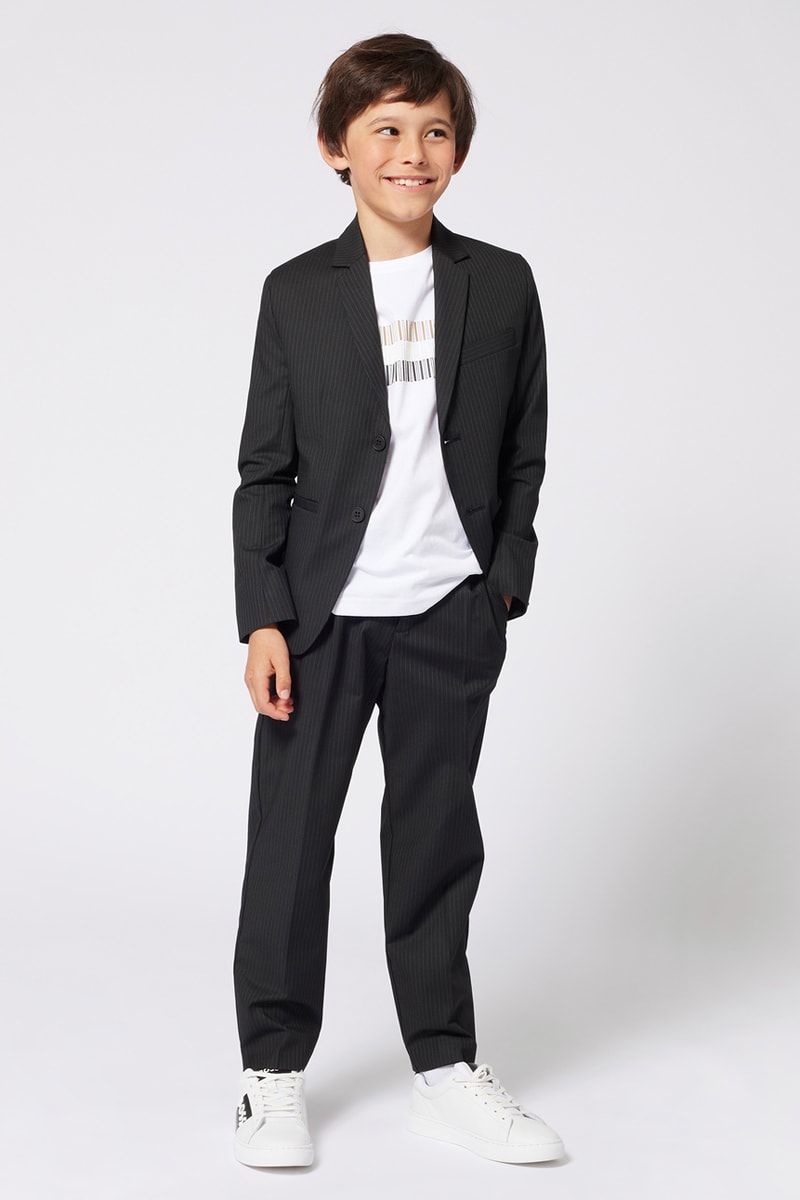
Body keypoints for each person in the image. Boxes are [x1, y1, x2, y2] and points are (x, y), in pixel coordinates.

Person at [231, 33, 564, 1169]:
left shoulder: (501, 283)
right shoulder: (296, 293)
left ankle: (443, 1066)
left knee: (434, 842)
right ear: (338, 148)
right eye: (385, 130)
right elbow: (263, 471)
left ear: (457, 150)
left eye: (433, 130)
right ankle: (271, 1073)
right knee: (290, 845)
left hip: (448, 612)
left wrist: (501, 583)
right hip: (320, 619)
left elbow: (524, 450)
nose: (411, 151)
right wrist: (263, 617)